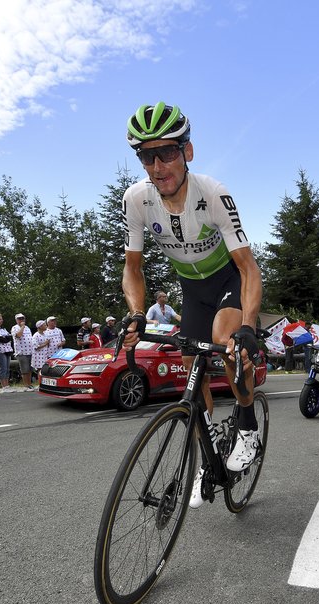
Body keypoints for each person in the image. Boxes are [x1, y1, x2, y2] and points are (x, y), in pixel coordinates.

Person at [121, 101, 264, 485]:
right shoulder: (136, 200)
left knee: (226, 341)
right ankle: (208, 452)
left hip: (228, 279)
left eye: (166, 153)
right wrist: (137, 312)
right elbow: (132, 269)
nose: (157, 167)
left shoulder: (213, 193)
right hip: (192, 288)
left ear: (187, 151)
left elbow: (249, 268)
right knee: (191, 372)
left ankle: (248, 425)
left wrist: (248, 328)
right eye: (147, 157)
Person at [10, 313, 34, 389]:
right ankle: (26, 385)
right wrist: (22, 326)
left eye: (22, 318)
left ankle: (29, 384)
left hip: (30, 351)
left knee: (30, 369)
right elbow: (18, 335)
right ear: (16, 320)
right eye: (19, 319)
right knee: (24, 369)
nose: (21, 320)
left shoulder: (28, 328)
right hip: (21, 352)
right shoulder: (14, 327)